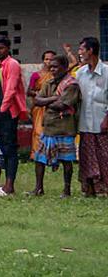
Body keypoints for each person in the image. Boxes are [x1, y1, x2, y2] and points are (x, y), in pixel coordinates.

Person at [31, 54, 80, 197]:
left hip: (64, 128)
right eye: (50, 66)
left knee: (66, 160)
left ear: (65, 68)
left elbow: (63, 104)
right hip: (49, 127)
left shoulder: (71, 85)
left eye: (55, 66)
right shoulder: (49, 82)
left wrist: (46, 101)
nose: (52, 69)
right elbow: (37, 101)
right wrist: (53, 98)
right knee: (39, 159)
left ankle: (67, 190)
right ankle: (38, 188)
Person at [0, 36, 25, 197]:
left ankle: (9, 186)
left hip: (8, 112)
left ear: (8, 49)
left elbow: (10, 91)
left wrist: (2, 111)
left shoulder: (12, 65)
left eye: (1, 48)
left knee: (10, 149)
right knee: (3, 148)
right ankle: (5, 185)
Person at [75, 37, 108, 197]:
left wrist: (106, 120)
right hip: (85, 123)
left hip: (102, 122)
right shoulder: (80, 73)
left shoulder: (106, 73)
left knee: (104, 156)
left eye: (82, 49)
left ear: (91, 51)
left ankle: (104, 188)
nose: (79, 53)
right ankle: (89, 188)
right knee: (87, 157)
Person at [28, 50, 57, 159]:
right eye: (46, 59)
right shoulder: (36, 75)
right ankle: (36, 154)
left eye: (51, 59)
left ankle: (51, 154)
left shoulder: (57, 75)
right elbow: (29, 91)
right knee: (39, 130)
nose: (49, 62)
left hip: (53, 106)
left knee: (52, 130)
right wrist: (40, 94)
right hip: (39, 107)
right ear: (43, 60)